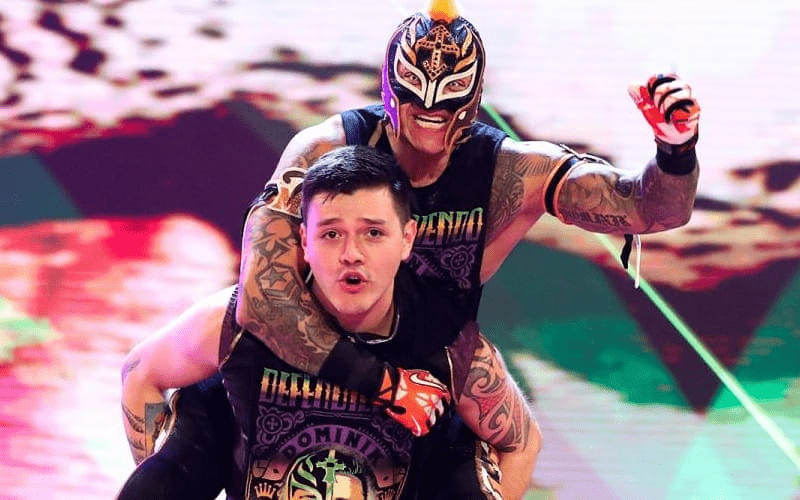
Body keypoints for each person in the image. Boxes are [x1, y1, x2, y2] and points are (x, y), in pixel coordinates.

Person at [121, 0, 700, 497]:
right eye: (334, 232)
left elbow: (647, 208)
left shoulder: (512, 173)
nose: (429, 125)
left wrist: (675, 152)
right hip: (299, 356)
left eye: (374, 232)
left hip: (426, 368)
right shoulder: (322, 152)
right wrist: (378, 382)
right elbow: (262, 298)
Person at [118, 145, 539, 500]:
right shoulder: (238, 322)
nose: (351, 254)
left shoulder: (449, 346)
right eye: (331, 234)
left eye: (373, 233)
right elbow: (140, 373)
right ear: (304, 241)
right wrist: (171, 473)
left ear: (407, 239)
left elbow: (522, 443)